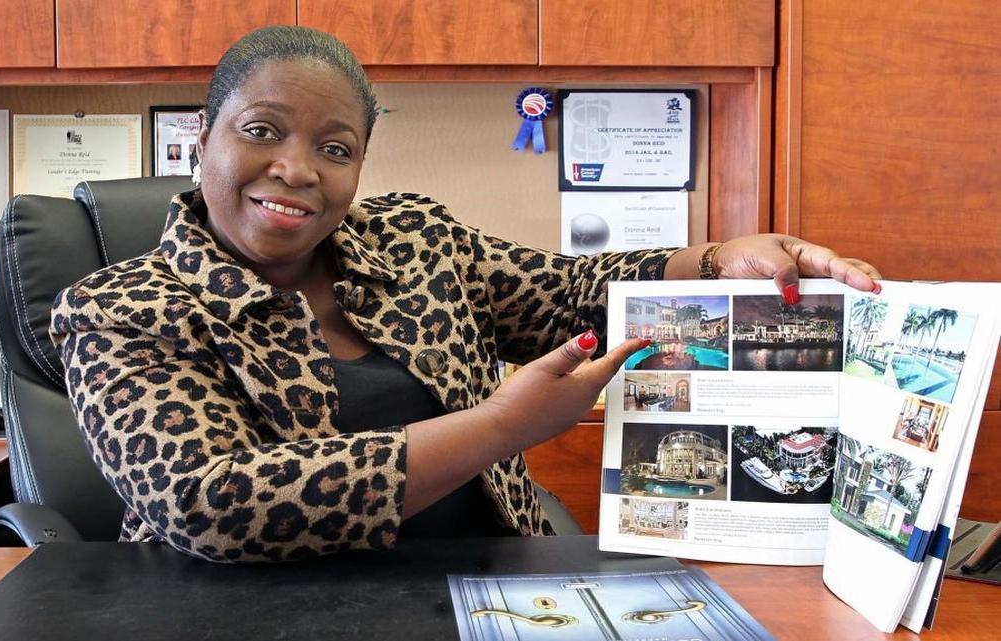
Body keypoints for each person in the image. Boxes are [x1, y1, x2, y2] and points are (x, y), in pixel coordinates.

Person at [50, 26, 881, 563]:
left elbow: (571, 294)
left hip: (491, 590)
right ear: (204, 139)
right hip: (245, 615)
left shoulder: (415, 241)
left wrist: (716, 258)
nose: (298, 169)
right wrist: (502, 427)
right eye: (261, 131)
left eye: (334, 147)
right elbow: (214, 503)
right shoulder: (118, 308)